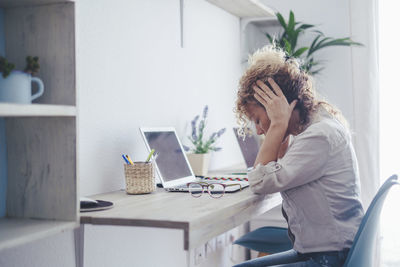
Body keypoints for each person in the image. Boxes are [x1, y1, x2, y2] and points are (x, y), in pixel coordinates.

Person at [233, 45, 364, 267]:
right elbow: (279, 170)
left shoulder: (319, 136)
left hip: (329, 259)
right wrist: (280, 133)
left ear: (276, 106)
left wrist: (277, 126)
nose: (257, 131)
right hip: (324, 252)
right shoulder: (314, 129)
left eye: (257, 119)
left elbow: (261, 181)